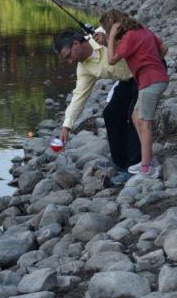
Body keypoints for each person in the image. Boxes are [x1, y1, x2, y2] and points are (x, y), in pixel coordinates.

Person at [53, 28, 140, 184]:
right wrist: (66, 126)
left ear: (76, 43)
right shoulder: (84, 68)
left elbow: (132, 33)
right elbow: (79, 96)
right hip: (127, 80)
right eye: (66, 60)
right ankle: (120, 163)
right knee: (111, 113)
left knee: (134, 115)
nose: (70, 61)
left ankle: (135, 166)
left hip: (145, 70)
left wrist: (110, 39)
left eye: (68, 56)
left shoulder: (102, 34)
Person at [103, 9, 168, 179]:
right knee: (135, 116)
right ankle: (148, 159)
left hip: (150, 82)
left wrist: (110, 39)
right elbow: (164, 48)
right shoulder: (143, 30)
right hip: (155, 79)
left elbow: (111, 60)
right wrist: (153, 62)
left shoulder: (129, 37)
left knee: (144, 123)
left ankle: (146, 167)